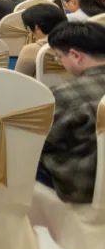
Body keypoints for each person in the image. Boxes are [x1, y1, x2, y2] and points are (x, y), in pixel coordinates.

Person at [37, 22, 105, 203]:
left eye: (59, 57)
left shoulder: (64, 95)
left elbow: (40, 142)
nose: (60, 62)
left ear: (75, 55)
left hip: (83, 186)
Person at [14, 4, 67, 76]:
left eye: (27, 28)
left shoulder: (31, 50)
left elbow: (18, 79)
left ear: (37, 27)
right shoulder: (77, 45)